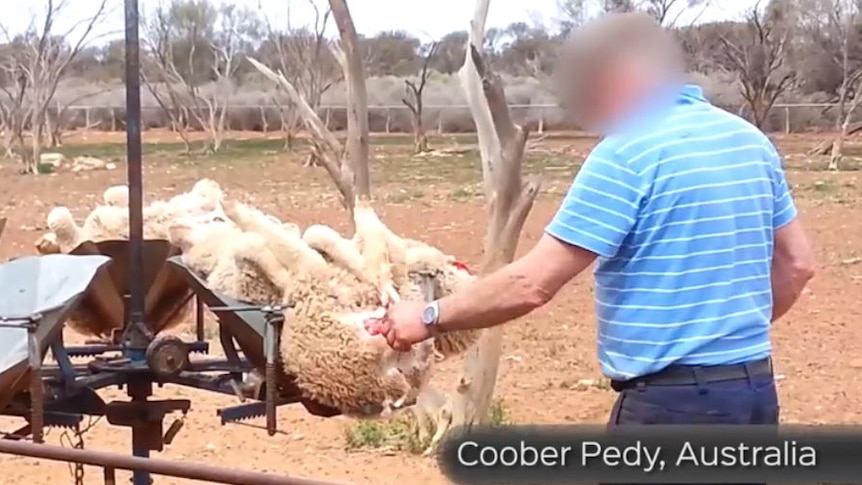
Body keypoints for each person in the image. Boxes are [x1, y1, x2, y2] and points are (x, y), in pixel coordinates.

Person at [375, 11, 815, 427]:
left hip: (673, 408)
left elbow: (532, 284)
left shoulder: (628, 152)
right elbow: (798, 265)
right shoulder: (748, 141)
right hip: (753, 393)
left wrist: (428, 317)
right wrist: (720, 342)